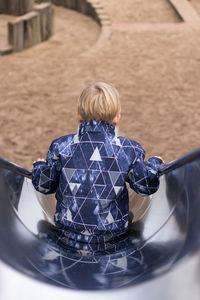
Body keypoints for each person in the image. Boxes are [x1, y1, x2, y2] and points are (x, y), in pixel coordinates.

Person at [32, 82, 163, 245]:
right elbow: (146, 186)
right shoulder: (129, 149)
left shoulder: (61, 146)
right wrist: (153, 164)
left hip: (68, 234)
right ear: (117, 118)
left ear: (78, 116)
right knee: (129, 215)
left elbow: (44, 186)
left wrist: (39, 166)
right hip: (113, 235)